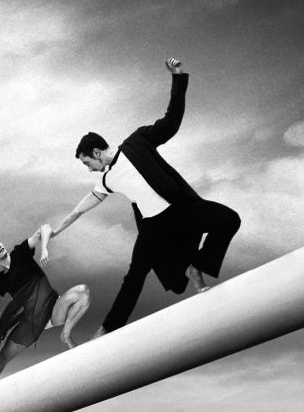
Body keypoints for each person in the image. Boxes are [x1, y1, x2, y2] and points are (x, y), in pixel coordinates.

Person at [54, 55, 240, 336]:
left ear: (95, 153)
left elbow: (172, 121)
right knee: (135, 277)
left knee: (229, 220)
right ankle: (106, 330)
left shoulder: (138, 141)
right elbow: (82, 207)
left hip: (181, 209)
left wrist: (177, 77)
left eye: (87, 164)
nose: (90, 170)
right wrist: (56, 230)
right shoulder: (106, 179)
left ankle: (197, 266)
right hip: (153, 227)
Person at [0, 223, 90, 398]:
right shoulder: (2, 279)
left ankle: (66, 333)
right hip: (31, 322)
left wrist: (44, 249)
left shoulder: (20, 253)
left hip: (54, 308)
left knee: (83, 292)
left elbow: (45, 228)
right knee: (2, 358)